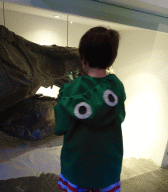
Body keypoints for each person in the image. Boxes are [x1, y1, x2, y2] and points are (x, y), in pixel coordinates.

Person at [54, 26, 126, 192]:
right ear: (111, 59)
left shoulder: (69, 90)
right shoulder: (117, 87)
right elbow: (120, 117)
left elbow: (61, 127)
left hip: (77, 166)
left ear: (83, 58)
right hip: (108, 166)